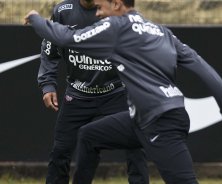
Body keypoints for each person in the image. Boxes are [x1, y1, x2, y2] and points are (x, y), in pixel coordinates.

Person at [25, 0, 222, 183]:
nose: (97, 13)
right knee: (89, 136)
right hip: (140, 118)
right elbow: (203, 68)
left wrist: (35, 18)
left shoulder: (116, 27)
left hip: (162, 121)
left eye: (100, 7)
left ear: (117, 4)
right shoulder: (161, 31)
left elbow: (65, 38)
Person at [37, 0, 149, 184]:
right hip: (78, 95)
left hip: (115, 93)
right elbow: (49, 51)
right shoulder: (63, 11)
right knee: (60, 151)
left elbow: (141, 51)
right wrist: (47, 84)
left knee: (136, 148)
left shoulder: (114, 9)